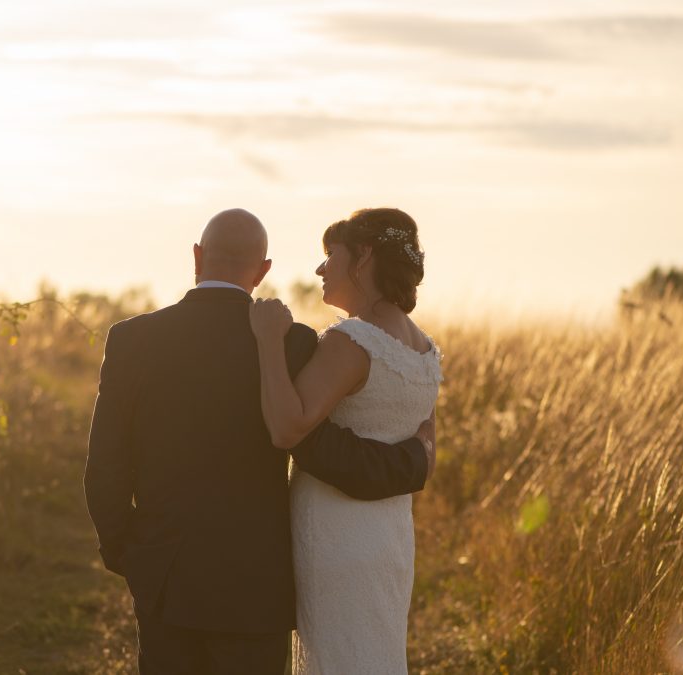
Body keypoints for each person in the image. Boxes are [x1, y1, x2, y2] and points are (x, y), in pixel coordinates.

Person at [84, 208, 436, 675]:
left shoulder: (132, 339)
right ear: (263, 270)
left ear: (197, 257)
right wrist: (416, 460)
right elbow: (326, 448)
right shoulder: (295, 343)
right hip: (257, 583)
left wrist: (128, 554)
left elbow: (105, 465)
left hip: (163, 571)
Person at [249, 207, 442, 675]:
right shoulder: (424, 348)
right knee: (373, 650)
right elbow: (426, 442)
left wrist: (268, 341)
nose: (320, 268)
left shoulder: (352, 340)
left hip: (335, 533)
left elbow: (286, 427)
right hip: (389, 533)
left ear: (363, 257)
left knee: (336, 656)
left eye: (330, 254)